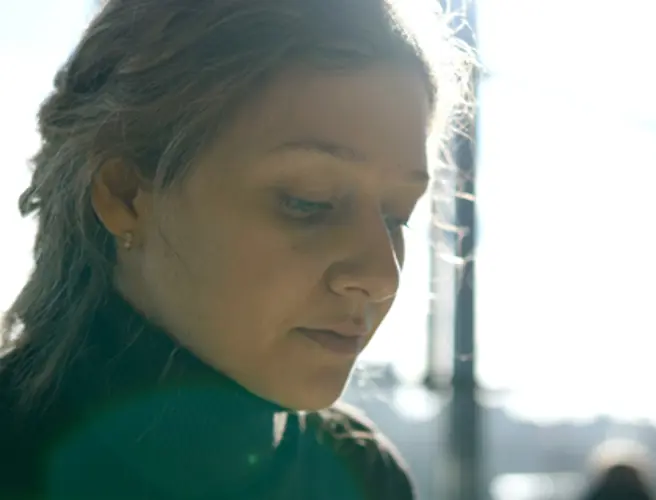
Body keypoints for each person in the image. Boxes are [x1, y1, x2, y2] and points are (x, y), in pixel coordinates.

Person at [0, 0, 470, 498]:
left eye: (397, 216)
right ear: (125, 194)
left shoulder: (366, 479)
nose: (382, 277)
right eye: (307, 202)